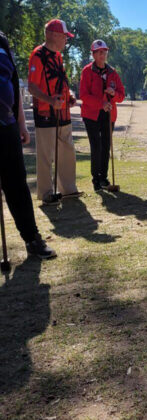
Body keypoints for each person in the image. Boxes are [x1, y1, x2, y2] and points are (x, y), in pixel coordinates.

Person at [0, 31, 57, 259]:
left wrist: (22, 124)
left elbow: (12, 83)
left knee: (17, 185)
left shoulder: (2, 41)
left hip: (7, 125)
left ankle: (32, 238)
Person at [27, 19, 82, 204]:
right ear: (53, 35)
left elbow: (62, 82)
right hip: (45, 113)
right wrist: (51, 101)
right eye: (64, 37)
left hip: (63, 113)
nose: (66, 41)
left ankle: (68, 189)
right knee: (45, 156)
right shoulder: (38, 55)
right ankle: (46, 193)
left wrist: (71, 95)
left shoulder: (58, 57)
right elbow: (32, 87)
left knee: (68, 152)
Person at [79, 40, 125, 191]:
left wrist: (114, 94)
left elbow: (121, 95)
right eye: (99, 52)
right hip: (91, 114)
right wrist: (101, 104)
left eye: (104, 51)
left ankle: (104, 177)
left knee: (106, 146)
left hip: (109, 114)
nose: (103, 54)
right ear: (93, 54)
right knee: (96, 146)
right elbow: (84, 95)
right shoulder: (87, 71)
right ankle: (95, 179)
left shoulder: (113, 72)